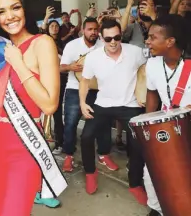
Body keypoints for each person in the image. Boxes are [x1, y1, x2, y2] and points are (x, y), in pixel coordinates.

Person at [0, 0, 61, 216]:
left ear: (25, 8)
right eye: (1, 11)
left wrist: (18, 63)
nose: (10, 16)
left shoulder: (42, 43)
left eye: (15, 7)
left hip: (23, 147)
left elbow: (49, 104)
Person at [79, 19, 147, 205]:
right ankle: (91, 173)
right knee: (86, 136)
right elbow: (85, 81)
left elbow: (146, 66)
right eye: (108, 39)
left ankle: (134, 183)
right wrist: (83, 103)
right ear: (101, 38)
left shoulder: (134, 52)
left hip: (130, 104)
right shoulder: (93, 57)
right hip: (103, 104)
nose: (113, 42)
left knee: (137, 143)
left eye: (117, 37)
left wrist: (142, 88)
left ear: (121, 35)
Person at [144, 14, 191, 216]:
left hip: (187, 128)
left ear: (170, 41)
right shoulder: (153, 65)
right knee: (152, 172)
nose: (147, 41)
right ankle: (156, 209)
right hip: (165, 128)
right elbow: (152, 95)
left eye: (153, 37)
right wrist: (147, 129)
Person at [60, 17, 116, 172]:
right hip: (74, 88)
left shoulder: (103, 45)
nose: (93, 32)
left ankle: (104, 154)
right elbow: (60, 67)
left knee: (103, 123)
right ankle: (69, 155)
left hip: (98, 90)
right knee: (70, 124)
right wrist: (70, 66)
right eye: (90, 29)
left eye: (95, 29)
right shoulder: (72, 45)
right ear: (83, 30)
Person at [45, 20, 66, 155]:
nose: (55, 28)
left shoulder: (63, 44)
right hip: (47, 79)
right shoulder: (44, 42)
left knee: (58, 111)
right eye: (52, 26)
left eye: (56, 26)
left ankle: (60, 141)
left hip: (61, 79)